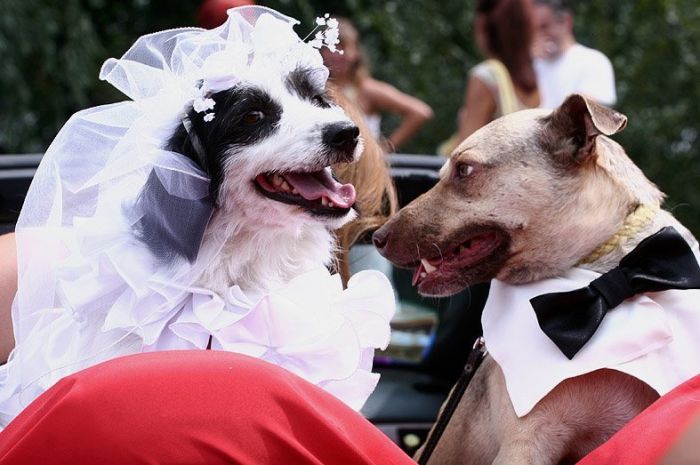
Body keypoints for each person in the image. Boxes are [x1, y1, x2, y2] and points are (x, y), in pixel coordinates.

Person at [440, 0, 540, 155]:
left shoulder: (486, 77)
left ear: (482, 25)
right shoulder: (538, 77)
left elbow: (465, 154)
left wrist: (464, 124)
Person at [320, 18, 434, 153]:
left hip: (362, 169)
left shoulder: (366, 90)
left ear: (356, 52)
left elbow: (420, 112)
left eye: (343, 47)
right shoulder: (314, 89)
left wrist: (384, 149)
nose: (337, 55)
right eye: (331, 47)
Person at [532, 0, 617, 109]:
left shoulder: (594, 62)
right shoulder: (531, 66)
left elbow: (584, 114)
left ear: (566, 21)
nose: (539, 34)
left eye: (544, 26)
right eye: (534, 28)